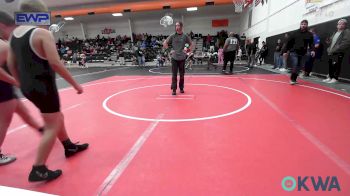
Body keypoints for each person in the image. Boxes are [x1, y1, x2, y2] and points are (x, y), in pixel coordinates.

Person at [0, 1, 88, 182]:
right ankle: (38, 168)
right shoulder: (42, 34)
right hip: (44, 87)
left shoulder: (15, 36)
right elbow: (55, 63)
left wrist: (18, 81)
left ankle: (68, 145)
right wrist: (75, 84)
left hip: (29, 88)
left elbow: (10, 63)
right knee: (52, 125)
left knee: (56, 117)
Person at [0, 39, 45, 166]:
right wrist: (16, 82)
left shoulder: (5, 43)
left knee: (24, 112)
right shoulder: (3, 45)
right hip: (3, 87)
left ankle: (43, 130)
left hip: (6, 87)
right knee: (4, 121)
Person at [163, 21, 192, 95]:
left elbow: (191, 44)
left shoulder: (185, 36)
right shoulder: (172, 36)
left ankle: (181, 88)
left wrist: (187, 50)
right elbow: (165, 43)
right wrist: (169, 50)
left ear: (181, 27)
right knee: (174, 75)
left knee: (182, 75)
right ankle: (174, 89)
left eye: (178, 25)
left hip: (182, 58)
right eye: (176, 26)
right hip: (174, 58)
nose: (177, 27)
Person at [285, 20, 315, 85]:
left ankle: (294, 79)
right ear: (300, 25)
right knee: (295, 64)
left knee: (299, 67)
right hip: (294, 52)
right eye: (302, 24)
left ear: (307, 25)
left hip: (303, 53)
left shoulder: (309, 34)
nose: (303, 25)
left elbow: (311, 43)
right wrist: (286, 51)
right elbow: (289, 42)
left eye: (305, 24)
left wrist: (312, 50)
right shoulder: (295, 33)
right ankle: (292, 79)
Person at [323, 19, 350, 83]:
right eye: (339, 24)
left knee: (336, 65)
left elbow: (346, 42)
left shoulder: (347, 31)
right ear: (337, 25)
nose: (340, 25)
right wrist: (328, 43)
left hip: (338, 52)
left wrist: (337, 49)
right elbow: (331, 41)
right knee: (331, 65)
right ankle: (330, 77)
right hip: (331, 52)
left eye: (342, 24)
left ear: (345, 25)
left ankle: (335, 78)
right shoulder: (335, 32)